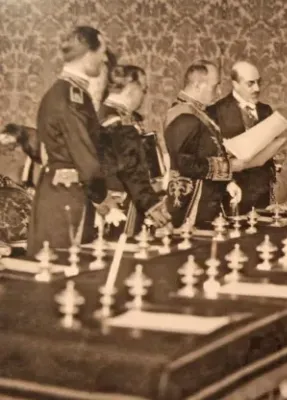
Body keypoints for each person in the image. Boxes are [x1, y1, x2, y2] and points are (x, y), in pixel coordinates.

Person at [27, 26, 117, 255]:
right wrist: (104, 199)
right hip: (67, 201)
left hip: (63, 194)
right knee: (64, 268)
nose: (104, 59)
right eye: (102, 52)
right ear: (88, 54)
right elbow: (84, 155)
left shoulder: (65, 92)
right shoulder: (72, 97)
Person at [163, 61, 244, 227]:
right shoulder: (183, 115)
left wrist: (228, 182)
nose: (219, 92)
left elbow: (207, 152)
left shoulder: (198, 112)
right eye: (215, 86)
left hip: (206, 201)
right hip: (190, 205)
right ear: (197, 85)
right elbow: (184, 164)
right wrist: (229, 167)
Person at [97, 65, 170, 236]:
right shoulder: (119, 122)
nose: (143, 96)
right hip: (121, 201)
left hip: (108, 198)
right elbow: (131, 168)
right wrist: (152, 205)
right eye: (143, 89)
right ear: (132, 88)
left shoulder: (101, 113)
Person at [207, 61, 276, 213]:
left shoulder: (265, 110)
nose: (257, 88)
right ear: (235, 84)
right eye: (250, 84)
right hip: (232, 190)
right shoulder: (215, 112)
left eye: (258, 82)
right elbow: (212, 155)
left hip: (262, 191)